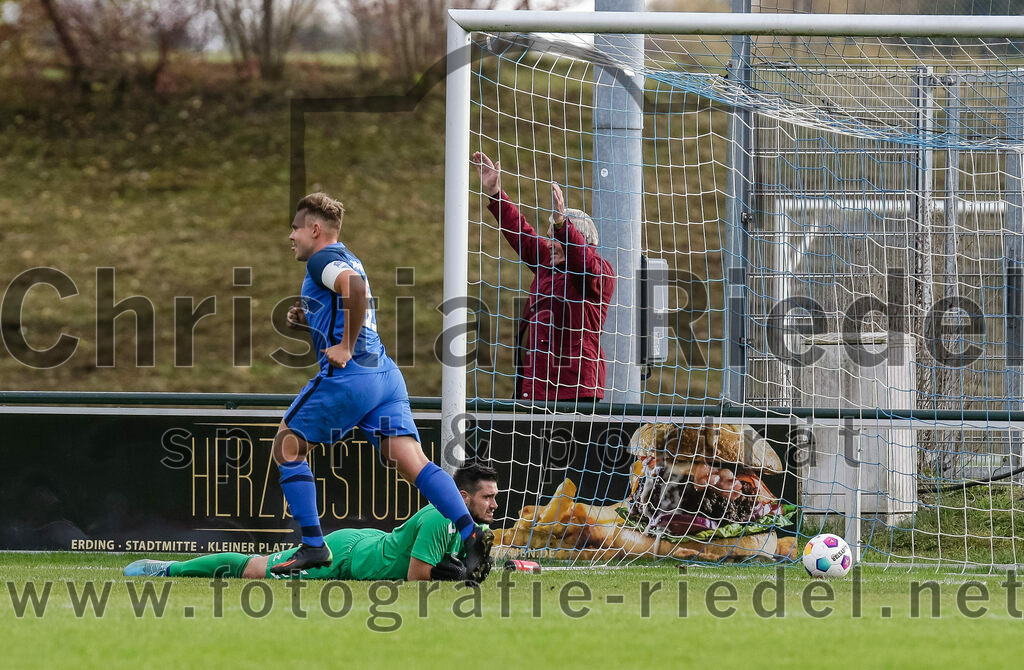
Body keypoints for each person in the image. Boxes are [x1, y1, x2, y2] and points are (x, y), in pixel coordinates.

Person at [260, 192, 490, 574]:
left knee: (287, 447)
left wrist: (345, 346)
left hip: (353, 379)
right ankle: (470, 534)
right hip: (385, 377)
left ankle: (314, 546)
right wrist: (312, 323)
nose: (291, 237)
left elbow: (354, 291)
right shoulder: (350, 256)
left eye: (295, 229)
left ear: (315, 230)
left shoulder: (321, 259)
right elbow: (350, 299)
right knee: (415, 463)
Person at [124, 464, 499, 583]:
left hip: (372, 542)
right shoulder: (439, 516)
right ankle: (169, 569)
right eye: (487, 497)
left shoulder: (473, 530)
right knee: (256, 570)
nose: (495, 504)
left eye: (495, 497)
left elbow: (458, 564)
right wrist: (458, 577)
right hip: (348, 555)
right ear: (462, 498)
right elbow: (419, 576)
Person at [473, 152, 616, 403]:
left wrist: (563, 226)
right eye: (549, 235)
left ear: (576, 239)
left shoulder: (599, 271)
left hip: (575, 393)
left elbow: (582, 260)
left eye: (555, 237)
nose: (547, 243)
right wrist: (496, 193)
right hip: (536, 390)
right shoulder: (548, 262)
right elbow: (521, 232)